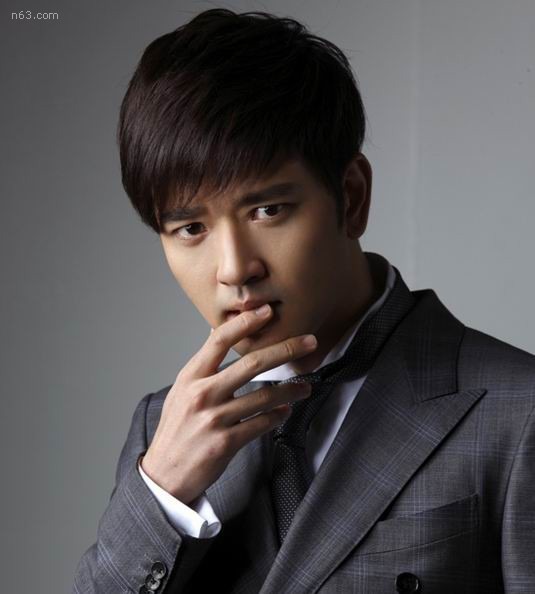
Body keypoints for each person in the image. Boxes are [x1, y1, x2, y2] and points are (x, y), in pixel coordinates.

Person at [73, 9, 535, 594]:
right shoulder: (162, 428)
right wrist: (161, 492)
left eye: (268, 210)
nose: (235, 268)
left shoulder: (518, 413)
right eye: (190, 228)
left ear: (352, 197)